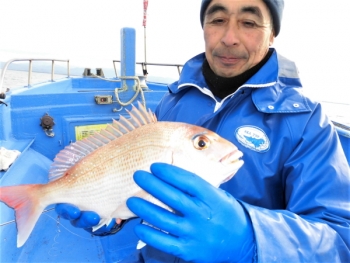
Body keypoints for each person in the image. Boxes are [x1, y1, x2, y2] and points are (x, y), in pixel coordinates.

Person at [56, 0, 350, 262]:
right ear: (204, 27)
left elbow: (339, 240)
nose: (230, 38)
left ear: (272, 33)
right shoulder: (174, 100)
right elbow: (142, 187)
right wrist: (113, 213)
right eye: (218, 19)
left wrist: (253, 242)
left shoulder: (307, 121)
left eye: (248, 22)